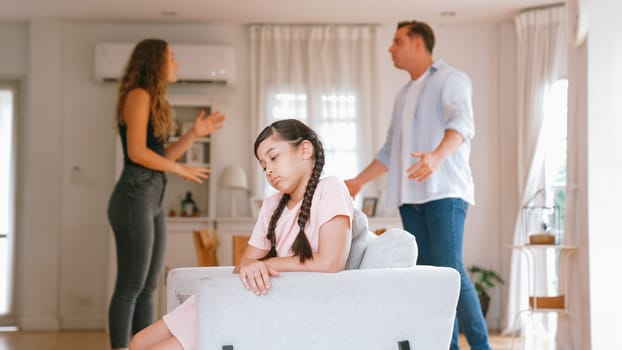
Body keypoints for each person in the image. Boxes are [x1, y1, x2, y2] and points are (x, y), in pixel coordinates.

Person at [128, 119, 354, 350]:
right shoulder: (271, 205)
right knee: (137, 342)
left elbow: (331, 262)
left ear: (305, 150)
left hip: (275, 304)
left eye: (273, 157)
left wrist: (266, 264)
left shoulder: (330, 188)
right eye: (263, 165)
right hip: (239, 296)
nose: (269, 170)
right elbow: (242, 266)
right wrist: (251, 265)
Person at [344, 21, 491, 350]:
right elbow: (389, 152)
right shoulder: (403, 95)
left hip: (444, 193)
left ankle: (482, 347)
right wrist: (356, 182)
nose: (390, 48)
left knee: (450, 270)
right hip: (409, 198)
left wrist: (437, 157)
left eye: (397, 41)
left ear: (419, 43)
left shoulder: (451, 79)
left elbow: (461, 124)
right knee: (430, 277)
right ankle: (448, 346)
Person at [107, 38, 226, 350]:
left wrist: (193, 135)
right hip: (134, 195)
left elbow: (163, 155)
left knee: (148, 287)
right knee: (130, 285)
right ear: (154, 61)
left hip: (152, 196)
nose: (176, 62)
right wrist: (181, 171)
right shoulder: (138, 94)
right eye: (171, 57)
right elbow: (136, 152)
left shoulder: (154, 99)